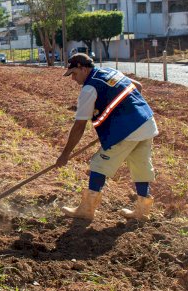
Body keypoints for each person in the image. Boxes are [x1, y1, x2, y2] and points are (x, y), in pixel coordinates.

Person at [55, 53, 158, 221]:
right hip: (146, 122)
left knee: (99, 164)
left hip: (127, 129)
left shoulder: (89, 89)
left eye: (74, 73)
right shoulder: (110, 72)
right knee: (141, 167)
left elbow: (79, 126)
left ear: (83, 68)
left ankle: (86, 209)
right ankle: (142, 211)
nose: (73, 78)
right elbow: (137, 86)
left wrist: (65, 154)